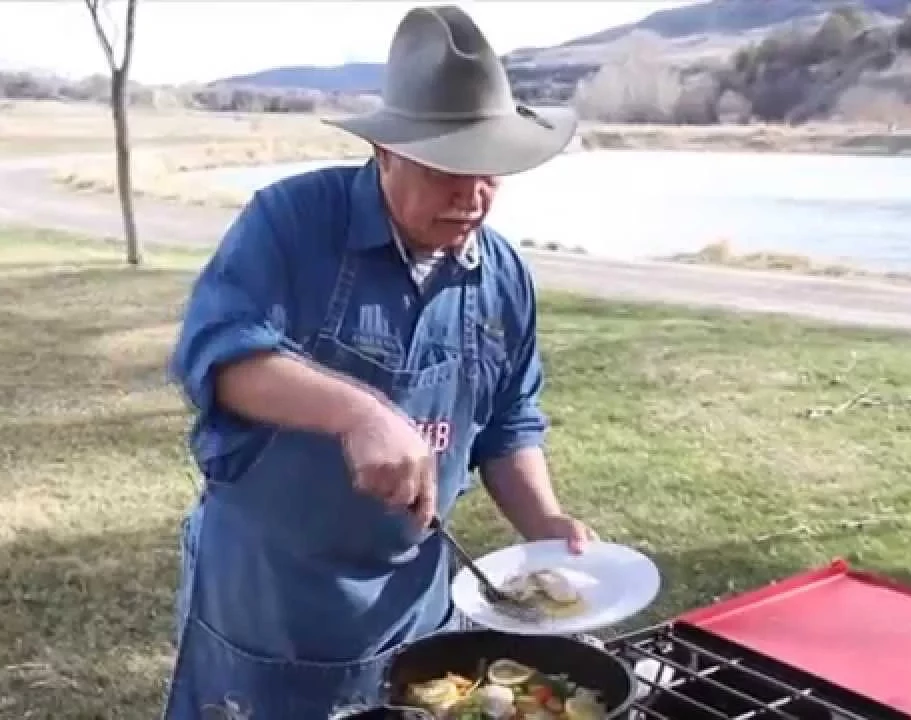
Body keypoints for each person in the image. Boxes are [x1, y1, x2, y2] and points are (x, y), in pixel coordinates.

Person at [164, 5, 596, 719]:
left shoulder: (503, 274)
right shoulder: (293, 221)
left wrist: (545, 522)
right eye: (445, 166)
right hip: (269, 602)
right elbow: (219, 358)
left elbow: (510, 423)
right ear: (385, 152)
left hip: (415, 606)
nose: (470, 193)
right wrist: (359, 411)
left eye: (488, 168)